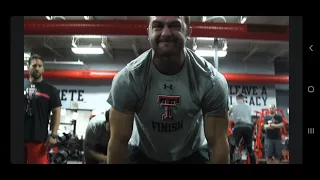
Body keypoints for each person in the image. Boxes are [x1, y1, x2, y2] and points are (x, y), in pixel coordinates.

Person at [107, 16, 229, 164]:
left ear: (188, 31)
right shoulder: (129, 79)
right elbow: (118, 143)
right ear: (148, 33)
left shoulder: (210, 80)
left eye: (174, 26)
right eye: (158, 26)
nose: (165, 33)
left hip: (192, 153)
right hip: (143, 153)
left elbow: (218, 144)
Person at [24, 54, 62, 164]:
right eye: (34, 65)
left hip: (38, 139)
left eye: (40, 66)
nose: (37, 68)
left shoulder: (50, 90)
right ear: (28, 66)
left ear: (43, 68)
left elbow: (56, 112)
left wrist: (53, 135)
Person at [228, 93, 256, 164]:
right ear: (243, 99)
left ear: (237, 99)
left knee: (232, 146)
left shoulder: (234, 106)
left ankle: (229, 161)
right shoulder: (248, 106)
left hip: (238, 127)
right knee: (250, 148)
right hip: (248, 128)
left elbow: (228, 114)